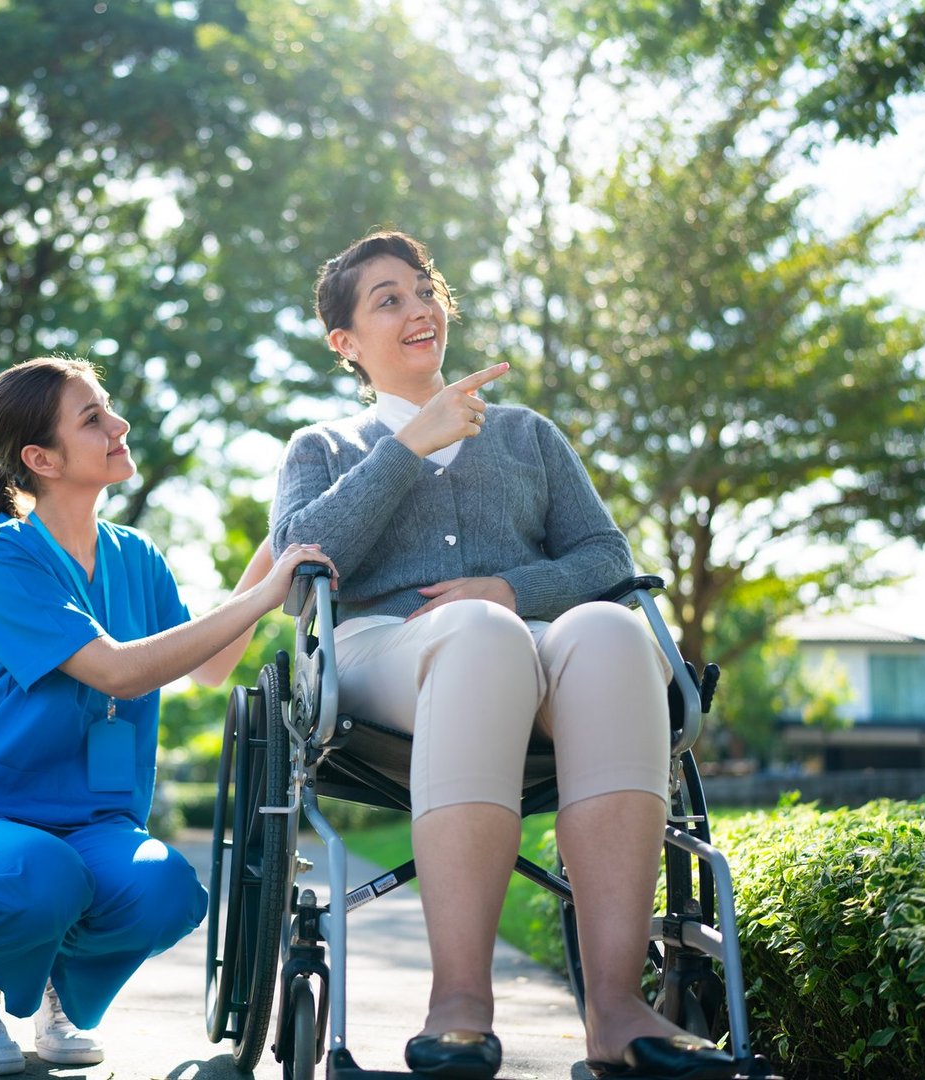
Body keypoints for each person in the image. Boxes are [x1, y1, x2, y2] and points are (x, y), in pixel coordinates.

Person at [270, 232, 738, 1080]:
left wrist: (510, 590)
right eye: (388, 300)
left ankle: (617, 1011)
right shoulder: (323, 447)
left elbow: (608, 561)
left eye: (424, 290)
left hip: (528, 638)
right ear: (345, 343)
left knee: (610, 632)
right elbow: (300, 564)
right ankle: (460, 1003)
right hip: (381, 656)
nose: (418, 309)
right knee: (479, 641)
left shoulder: (526, 435)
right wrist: (406, 448)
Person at [0, 357, 331, 1076]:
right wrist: (263, 596)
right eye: (93, 419)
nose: (118, 426)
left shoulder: (136, 557)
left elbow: (208, 665)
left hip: (87, 832)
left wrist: (279, 546)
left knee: (166, 890)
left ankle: (57, 982)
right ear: (41, 458)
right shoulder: (5, 557)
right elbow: (117, 668)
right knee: (35, 873)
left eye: (107, 409)